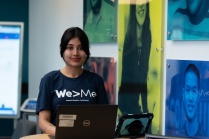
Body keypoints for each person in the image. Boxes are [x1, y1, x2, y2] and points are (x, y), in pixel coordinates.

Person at [36, 27, 109, 136]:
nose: (75, 53)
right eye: (70, 48)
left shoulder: (96, 80)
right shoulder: (49, 80)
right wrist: (62, 133)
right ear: (63, 51)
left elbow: (105, 117)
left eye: (80, 48)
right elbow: (42, 121)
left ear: (86, 52)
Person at [118, 2, 151, 115]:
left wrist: (146, 109)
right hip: (126, 103)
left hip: (136, 103)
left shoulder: (147, 35)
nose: (141, 6)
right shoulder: (129, 36)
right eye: (138, 3)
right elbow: (126, 76)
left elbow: (143, 74)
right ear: (133, 8)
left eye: (144, 3)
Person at [178, 64, 207, 138]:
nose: (190, 98)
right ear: (183, 94)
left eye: (194, 91)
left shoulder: (205, 137)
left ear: (198, 96)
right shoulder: (176, 135)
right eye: (187, 90)